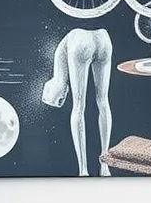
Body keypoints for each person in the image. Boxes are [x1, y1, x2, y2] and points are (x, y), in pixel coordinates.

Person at [42, 28, 113, 177]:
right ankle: (105, 167)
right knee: (103, 102)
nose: (62, 99)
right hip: (104, 38)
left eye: (60, 99)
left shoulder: (59, 64)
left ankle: (83, 170)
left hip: (80, 41)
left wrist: (55, 97)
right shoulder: (61, 49)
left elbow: (60, 84)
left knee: (78, 107)